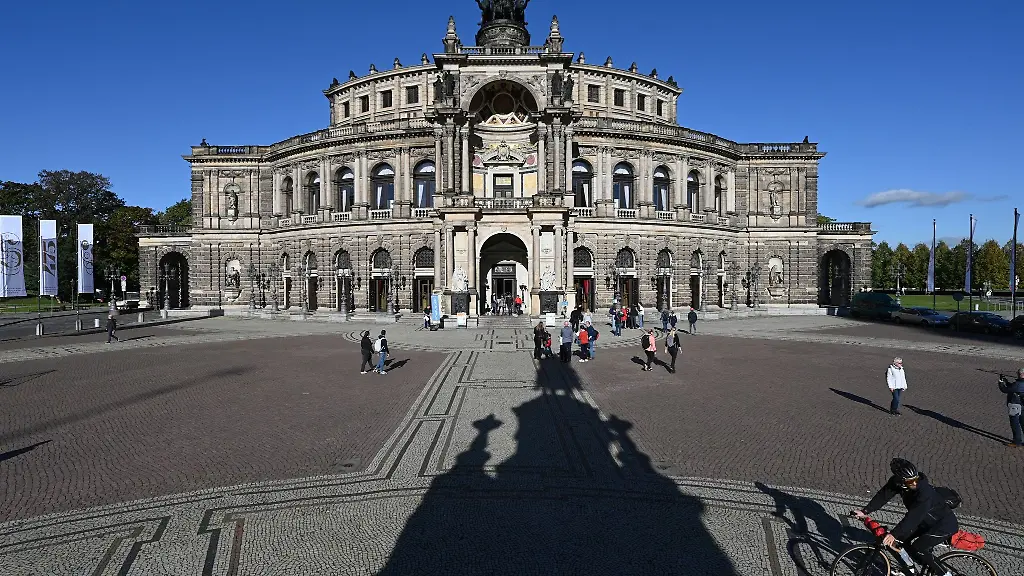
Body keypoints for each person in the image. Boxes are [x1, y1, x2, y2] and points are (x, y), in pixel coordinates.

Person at [852, 459, 957, 576]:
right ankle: (912, 569)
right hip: (925, 522)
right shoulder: (897, 483)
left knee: (919, 548)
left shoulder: (924, 492)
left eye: (915, 480)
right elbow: (883, 496)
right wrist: (865, 511)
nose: (914, 484)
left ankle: (945, 574)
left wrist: (893, 534)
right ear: (900, 481)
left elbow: (913, 517)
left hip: (943, 525)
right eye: (910, 481)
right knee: (902, 541)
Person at [998, 367, 1024, 447]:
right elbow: (1012, 387)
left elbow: (1005, 389)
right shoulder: (1019, 383)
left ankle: (1017, 441)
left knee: (1015, 424)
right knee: (1023, 423)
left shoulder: (1018, 384)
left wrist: (1001, 382)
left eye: (1019, 374)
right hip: (1022, 405)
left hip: (1015, 405)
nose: (1018, 375)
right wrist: (1006, 381)